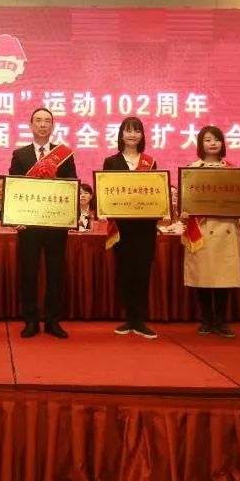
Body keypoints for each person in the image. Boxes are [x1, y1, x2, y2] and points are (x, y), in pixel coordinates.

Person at [9, 107, 77, 339]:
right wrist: (16, 218)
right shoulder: (20, 154)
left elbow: (71, 186)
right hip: (28, 225)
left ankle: (52, 321)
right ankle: (30, 321)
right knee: (29, 274)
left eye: (47, 121)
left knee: (55, 274)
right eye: (38, 120)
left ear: (53, 126)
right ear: (30, 125)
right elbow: (14, 187)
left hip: (55, 224)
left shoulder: (64, 155)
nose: (42, 124)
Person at [180, 126, 240, 338]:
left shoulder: (233, 170)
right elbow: (185, 200)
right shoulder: (191, 169)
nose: (212, 143)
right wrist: (183, 212)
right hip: (201, 228)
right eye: (208, 140)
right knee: (203, 274)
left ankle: (221, 320)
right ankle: (206, 318)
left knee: (224, 275)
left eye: (217, 139)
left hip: (226, 227)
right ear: (201, 144)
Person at [102, 116, 160, 339]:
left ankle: (140, 320)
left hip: (145, 228)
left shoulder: (150, 163)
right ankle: (129, 318)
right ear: (121, 134)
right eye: (128, 130)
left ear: (142, 135)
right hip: (122, 228)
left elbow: (156, 192)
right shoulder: (111, 162)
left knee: (142, 272)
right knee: (126, 272)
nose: (132, 134)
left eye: (136, 131)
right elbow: (106, 192)